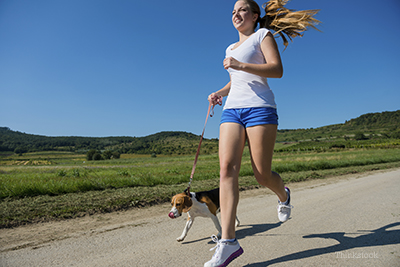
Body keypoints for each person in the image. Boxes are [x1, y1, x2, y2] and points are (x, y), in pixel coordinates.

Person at [204, 1, 320, 266]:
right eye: (233, 11)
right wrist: (219, 93)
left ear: (255, 15)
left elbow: (276, 69)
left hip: (260, 108)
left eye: (242, 9)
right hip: (233, 110)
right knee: (226, 169)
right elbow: (236, 82)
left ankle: (284, 194)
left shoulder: (261, 36)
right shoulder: (230, 48)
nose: (236, 14)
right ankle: (228, 242)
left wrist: (240, 65)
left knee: (261, 174)